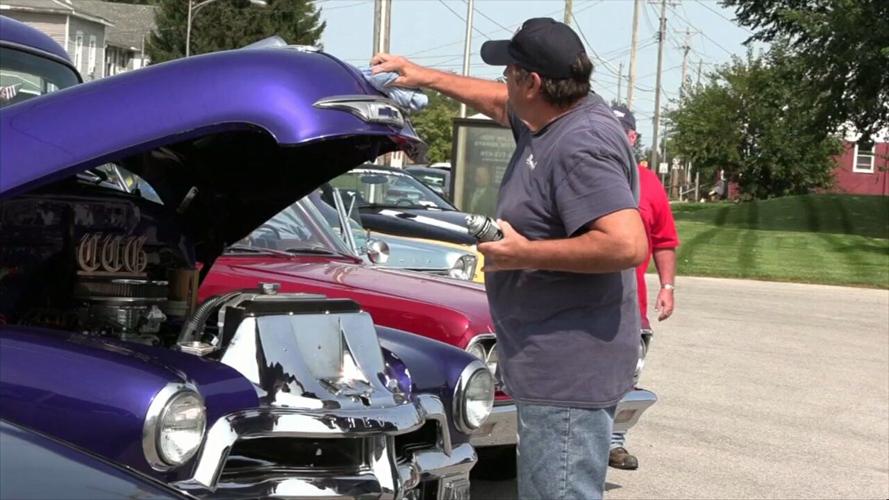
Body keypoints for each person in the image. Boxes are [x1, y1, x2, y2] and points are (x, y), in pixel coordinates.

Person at [372, 18, 648, 499]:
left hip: (568, 371)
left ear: (532, 82)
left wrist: (524, 253)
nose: (504, 82)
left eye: (509, 72)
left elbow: (625, 244)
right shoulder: (559, 116)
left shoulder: (580, 144)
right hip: (556, 363)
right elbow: (500, 104)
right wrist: (423, 75)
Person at [609, 104, 680, 471]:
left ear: (633, 138)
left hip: (628, 303)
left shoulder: (648, 182)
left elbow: (664, 240)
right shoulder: (585, 172)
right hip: (578, 302)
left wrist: (667, 286)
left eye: (619, 130)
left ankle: (615, 442)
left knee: (625, 374)